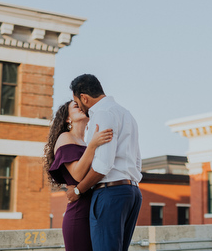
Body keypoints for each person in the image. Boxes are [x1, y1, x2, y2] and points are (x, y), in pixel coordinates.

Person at [66, 74, 142, 251]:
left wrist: (78, 190)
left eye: (77, 102)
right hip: (132, 192)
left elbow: (103, 166)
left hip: (110, 193)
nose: (79, 106)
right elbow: (137, 162)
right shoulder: (126, 113)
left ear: (84, 97)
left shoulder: (102, 114)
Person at [44, 101, 114, 251]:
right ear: (67, 119)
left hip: (95, 211)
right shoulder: (65, 137)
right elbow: (77, 174)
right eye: (76, 107)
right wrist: (93, 146)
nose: (81, 107)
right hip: (79, 214)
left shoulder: (86, 141)